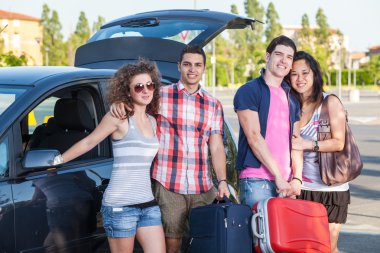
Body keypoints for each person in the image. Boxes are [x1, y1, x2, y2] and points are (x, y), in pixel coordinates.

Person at [111, 45, 229, 253]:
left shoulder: (213, 104)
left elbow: (217, 146)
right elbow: (136, 105)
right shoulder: (160, 96)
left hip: (202, 186)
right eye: (187, 64)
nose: (192, 69)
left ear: (204, 69)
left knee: (204, 244)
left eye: (197, 65)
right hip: (168, 184)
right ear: (179, 67)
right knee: (171, 245)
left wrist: (222, 181)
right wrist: (119, 103)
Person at [52, 59, 165, 253]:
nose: (146, 90)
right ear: (127, 91)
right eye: (138, 87)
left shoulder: (153, 121)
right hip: (121, 206)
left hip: (148, 204)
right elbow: (89, 142)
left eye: (150, 85)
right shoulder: (118, 117)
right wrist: (57, 161)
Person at [288, 51, 350, 253]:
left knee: (328, 248)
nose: (300, 79)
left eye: (305, 72)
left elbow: (339, 143)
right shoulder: (292, 106)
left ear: (314, 74)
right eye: (294, 74)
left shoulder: (329, 102)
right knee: (306, 247)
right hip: (304, 188)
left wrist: (307, 144)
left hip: (332, 189)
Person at [233, 35, 303, 208]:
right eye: (279, 54)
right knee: (260, 235)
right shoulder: (249, 91)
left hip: (286, 185)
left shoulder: (292, 98)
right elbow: (254, 137)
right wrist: (277, 176)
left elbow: (296, 142)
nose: (283, 61)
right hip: (257, 180)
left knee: (285, 235)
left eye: (289, 57)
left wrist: (297, 178)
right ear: (267, 56)